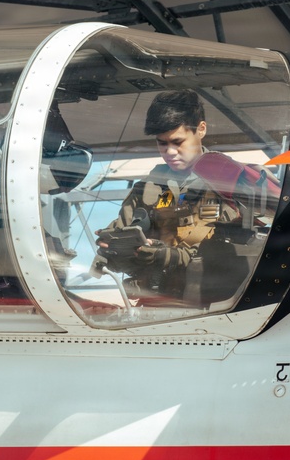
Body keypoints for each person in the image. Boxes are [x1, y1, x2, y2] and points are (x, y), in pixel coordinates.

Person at [95, 90, 259, 302]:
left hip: (217, 304)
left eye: (177, 142)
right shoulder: (148, 188)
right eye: (162, 143)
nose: (169, 152)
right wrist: (113, 248)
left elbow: (265, 241)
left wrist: (167, 255)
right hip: (156, 303)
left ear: (201, 129)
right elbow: (121, 245)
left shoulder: (237, 180)